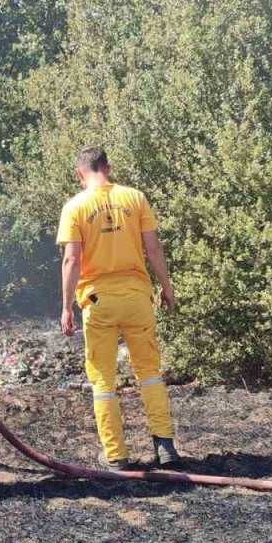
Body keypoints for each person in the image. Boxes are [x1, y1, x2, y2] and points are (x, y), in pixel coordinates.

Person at [57, 146, 180, 470]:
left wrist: (67, 307)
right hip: (138, 296)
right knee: (149, 373)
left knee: (102, 379)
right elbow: (153, 247)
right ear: (107, 167)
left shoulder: (75, 206)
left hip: (98, 299)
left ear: (79, 174)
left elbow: (72, 259)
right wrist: (166, 288)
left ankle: (115, 455)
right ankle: (165, 446)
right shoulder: (135, 197)